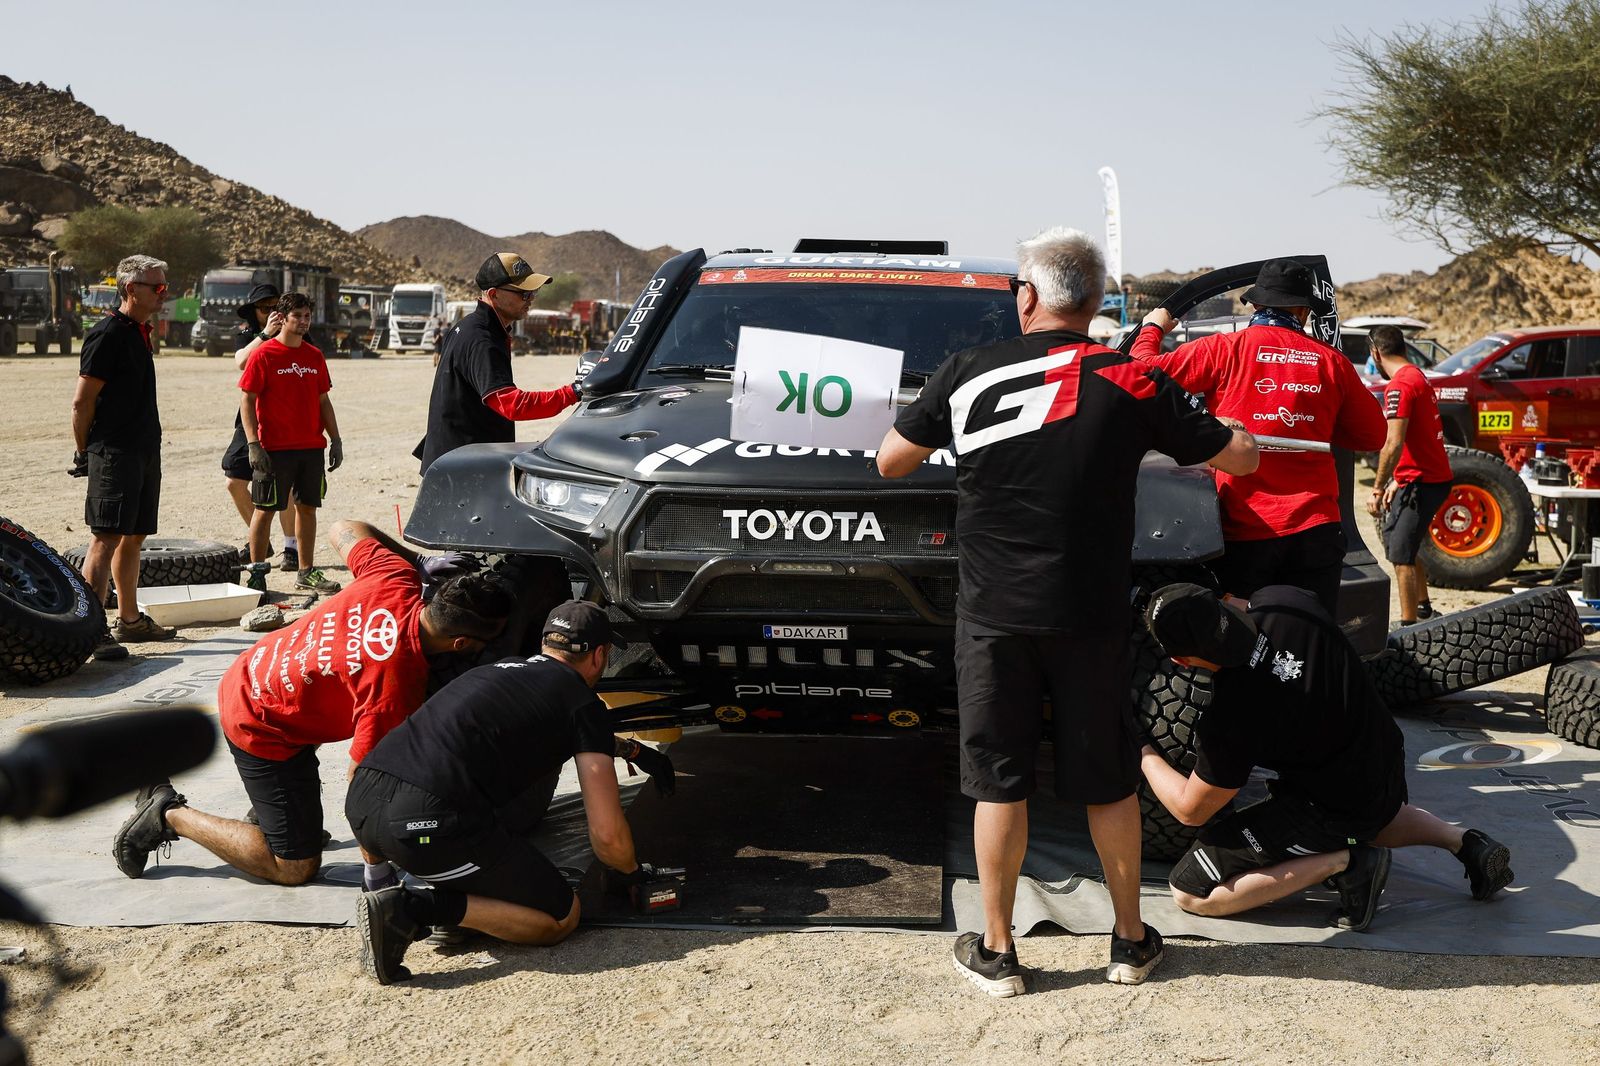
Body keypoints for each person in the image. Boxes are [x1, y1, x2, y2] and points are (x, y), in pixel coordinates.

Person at [876, 226, 1259, 996]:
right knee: (1108, 781)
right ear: (1092, 301)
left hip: (993, 617)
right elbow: (1239, 456)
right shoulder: (1133, 378)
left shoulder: (967, 372)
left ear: (1027, 296)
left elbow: (890, 459)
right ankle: (1127, 942)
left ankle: (998, 951)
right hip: (1089, 616)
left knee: (999, 782)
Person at [110, 520, 507, 886]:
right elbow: (362, 784)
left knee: (296, 798)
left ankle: (276, 809)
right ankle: (168, 814)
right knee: (295, 866)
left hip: (265, 668)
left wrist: (417, 560)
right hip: (259, 718)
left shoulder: (394, 576)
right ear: (461, 644)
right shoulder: (394, 685)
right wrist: (377, 868)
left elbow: (344, 527)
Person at [1139, 582, 1513, 931]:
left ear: (1183, 662)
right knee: (1366, 811)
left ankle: (1348, 863)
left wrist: (1141, 752)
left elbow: (1192, 810)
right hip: (1381, 758)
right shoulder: (1286, 600)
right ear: (1225, 601)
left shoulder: (1231, 715)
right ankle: (1466, 843)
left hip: (1329, 806)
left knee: (1191, 890)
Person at [346, 601, 676, 985]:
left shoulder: (494, 673)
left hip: (363, 804)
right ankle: (414, 908)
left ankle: (398, 887)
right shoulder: (582, 703)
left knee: (453, 825)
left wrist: (632, 750)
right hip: (425, 829)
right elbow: (606, 837)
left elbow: (558, 732)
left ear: (546, 644)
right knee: (561, 917)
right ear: (600, 655)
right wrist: (631, 872)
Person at [1132, 260, 1387, 611]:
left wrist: (1152, 328)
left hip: (1246, 530)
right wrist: (1319, 416)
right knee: (1309, 639)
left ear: (1254, 305)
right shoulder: (1331, 362)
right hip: (1317, 531)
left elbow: (1140, 376)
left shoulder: (1223, 349)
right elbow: (1373, 435)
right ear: (1302, 311)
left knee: (1247, 644)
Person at [68, 253, 178, 659]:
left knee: (135, 538)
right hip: (114, 452)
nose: (164, 293)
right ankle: (91, 629)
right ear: (132, 289)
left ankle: (129, 621)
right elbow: (82, 404)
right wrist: (85, 452)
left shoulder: (138, 332)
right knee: (104, 539)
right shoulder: (107, 334)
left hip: (143, 450)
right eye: (158, 287)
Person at [416, 252, 581, 473]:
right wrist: (572, 392)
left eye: (533, 291)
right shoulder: (481, 339)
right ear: (494, 294)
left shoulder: (471, 327)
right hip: (461, 467)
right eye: (523, 293)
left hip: (459, 458)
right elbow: (512, 405)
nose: (531, 298)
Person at [240, 292, 344, 595]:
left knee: (307, 508)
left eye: (306, 316)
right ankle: (257, 574)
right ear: (282, 319)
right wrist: (253, 444)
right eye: (296, 316)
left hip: (311, 447)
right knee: (265, 509)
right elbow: (247, 400)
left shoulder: (314, 356)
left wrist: (335, 439)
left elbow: (323, 400)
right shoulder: (264, 354)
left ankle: (305, 571)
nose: (302, 321)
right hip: (273, 449)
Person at [1367, 324, 1453, 626]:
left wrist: (1378, 487)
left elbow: (1394, 442)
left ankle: (1408, 627)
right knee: (1406, 542)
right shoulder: (1417, 376)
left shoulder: (1400, 386)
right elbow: (1418, 440)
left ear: (1376, 353)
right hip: (1425, 478)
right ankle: (1424, 608)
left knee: (1400, 554)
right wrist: (1399, 479)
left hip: (1424, 482)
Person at [222, 282, 297, 568]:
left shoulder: (295, 333)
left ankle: (291, 547)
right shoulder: (249, 336)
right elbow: (241, 361)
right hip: (250, 418)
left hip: (284, 418)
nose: (272, 313)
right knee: (234, 481)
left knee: (284, 484)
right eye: (265, 309)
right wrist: (266, 335)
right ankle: (260, 540)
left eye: (277, 308)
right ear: (255, 312)